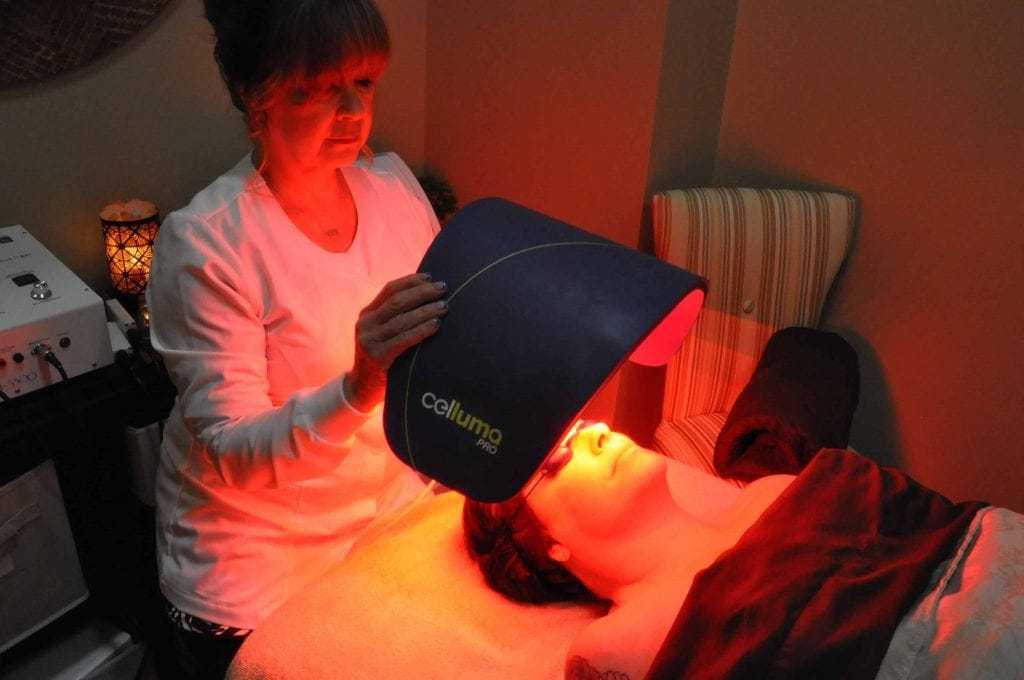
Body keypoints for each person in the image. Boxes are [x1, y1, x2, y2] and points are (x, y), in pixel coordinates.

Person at [146, 1, 446, 677]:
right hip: (257, 564)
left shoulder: (394, 191)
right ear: (256, 99)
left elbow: (440, 341)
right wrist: (359, 384)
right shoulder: (208, 244)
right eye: (315, 88)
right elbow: (233, 452)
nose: (352, 112)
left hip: (382, 524)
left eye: (364, 83)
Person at [463, 421, 796, 679]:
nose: (599, 431)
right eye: (558, 457)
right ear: (550, 544)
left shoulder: (773, 491)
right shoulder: (615, 649)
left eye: (583, 424)